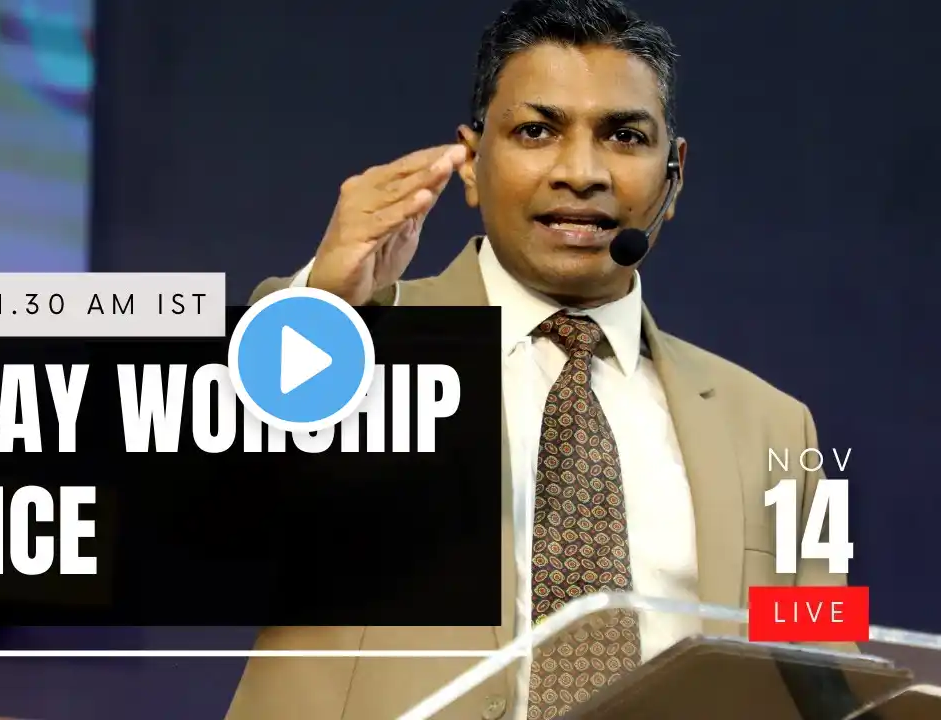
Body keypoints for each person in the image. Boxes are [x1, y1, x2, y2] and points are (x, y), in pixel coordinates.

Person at [224, 0, 849, 718]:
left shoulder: (776, 428)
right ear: (471, 162)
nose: (581, 172)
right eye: (537, 131)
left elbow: (826, 672)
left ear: (674, 176)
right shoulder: (345, 346)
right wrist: (326, 302)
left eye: (624, 136)